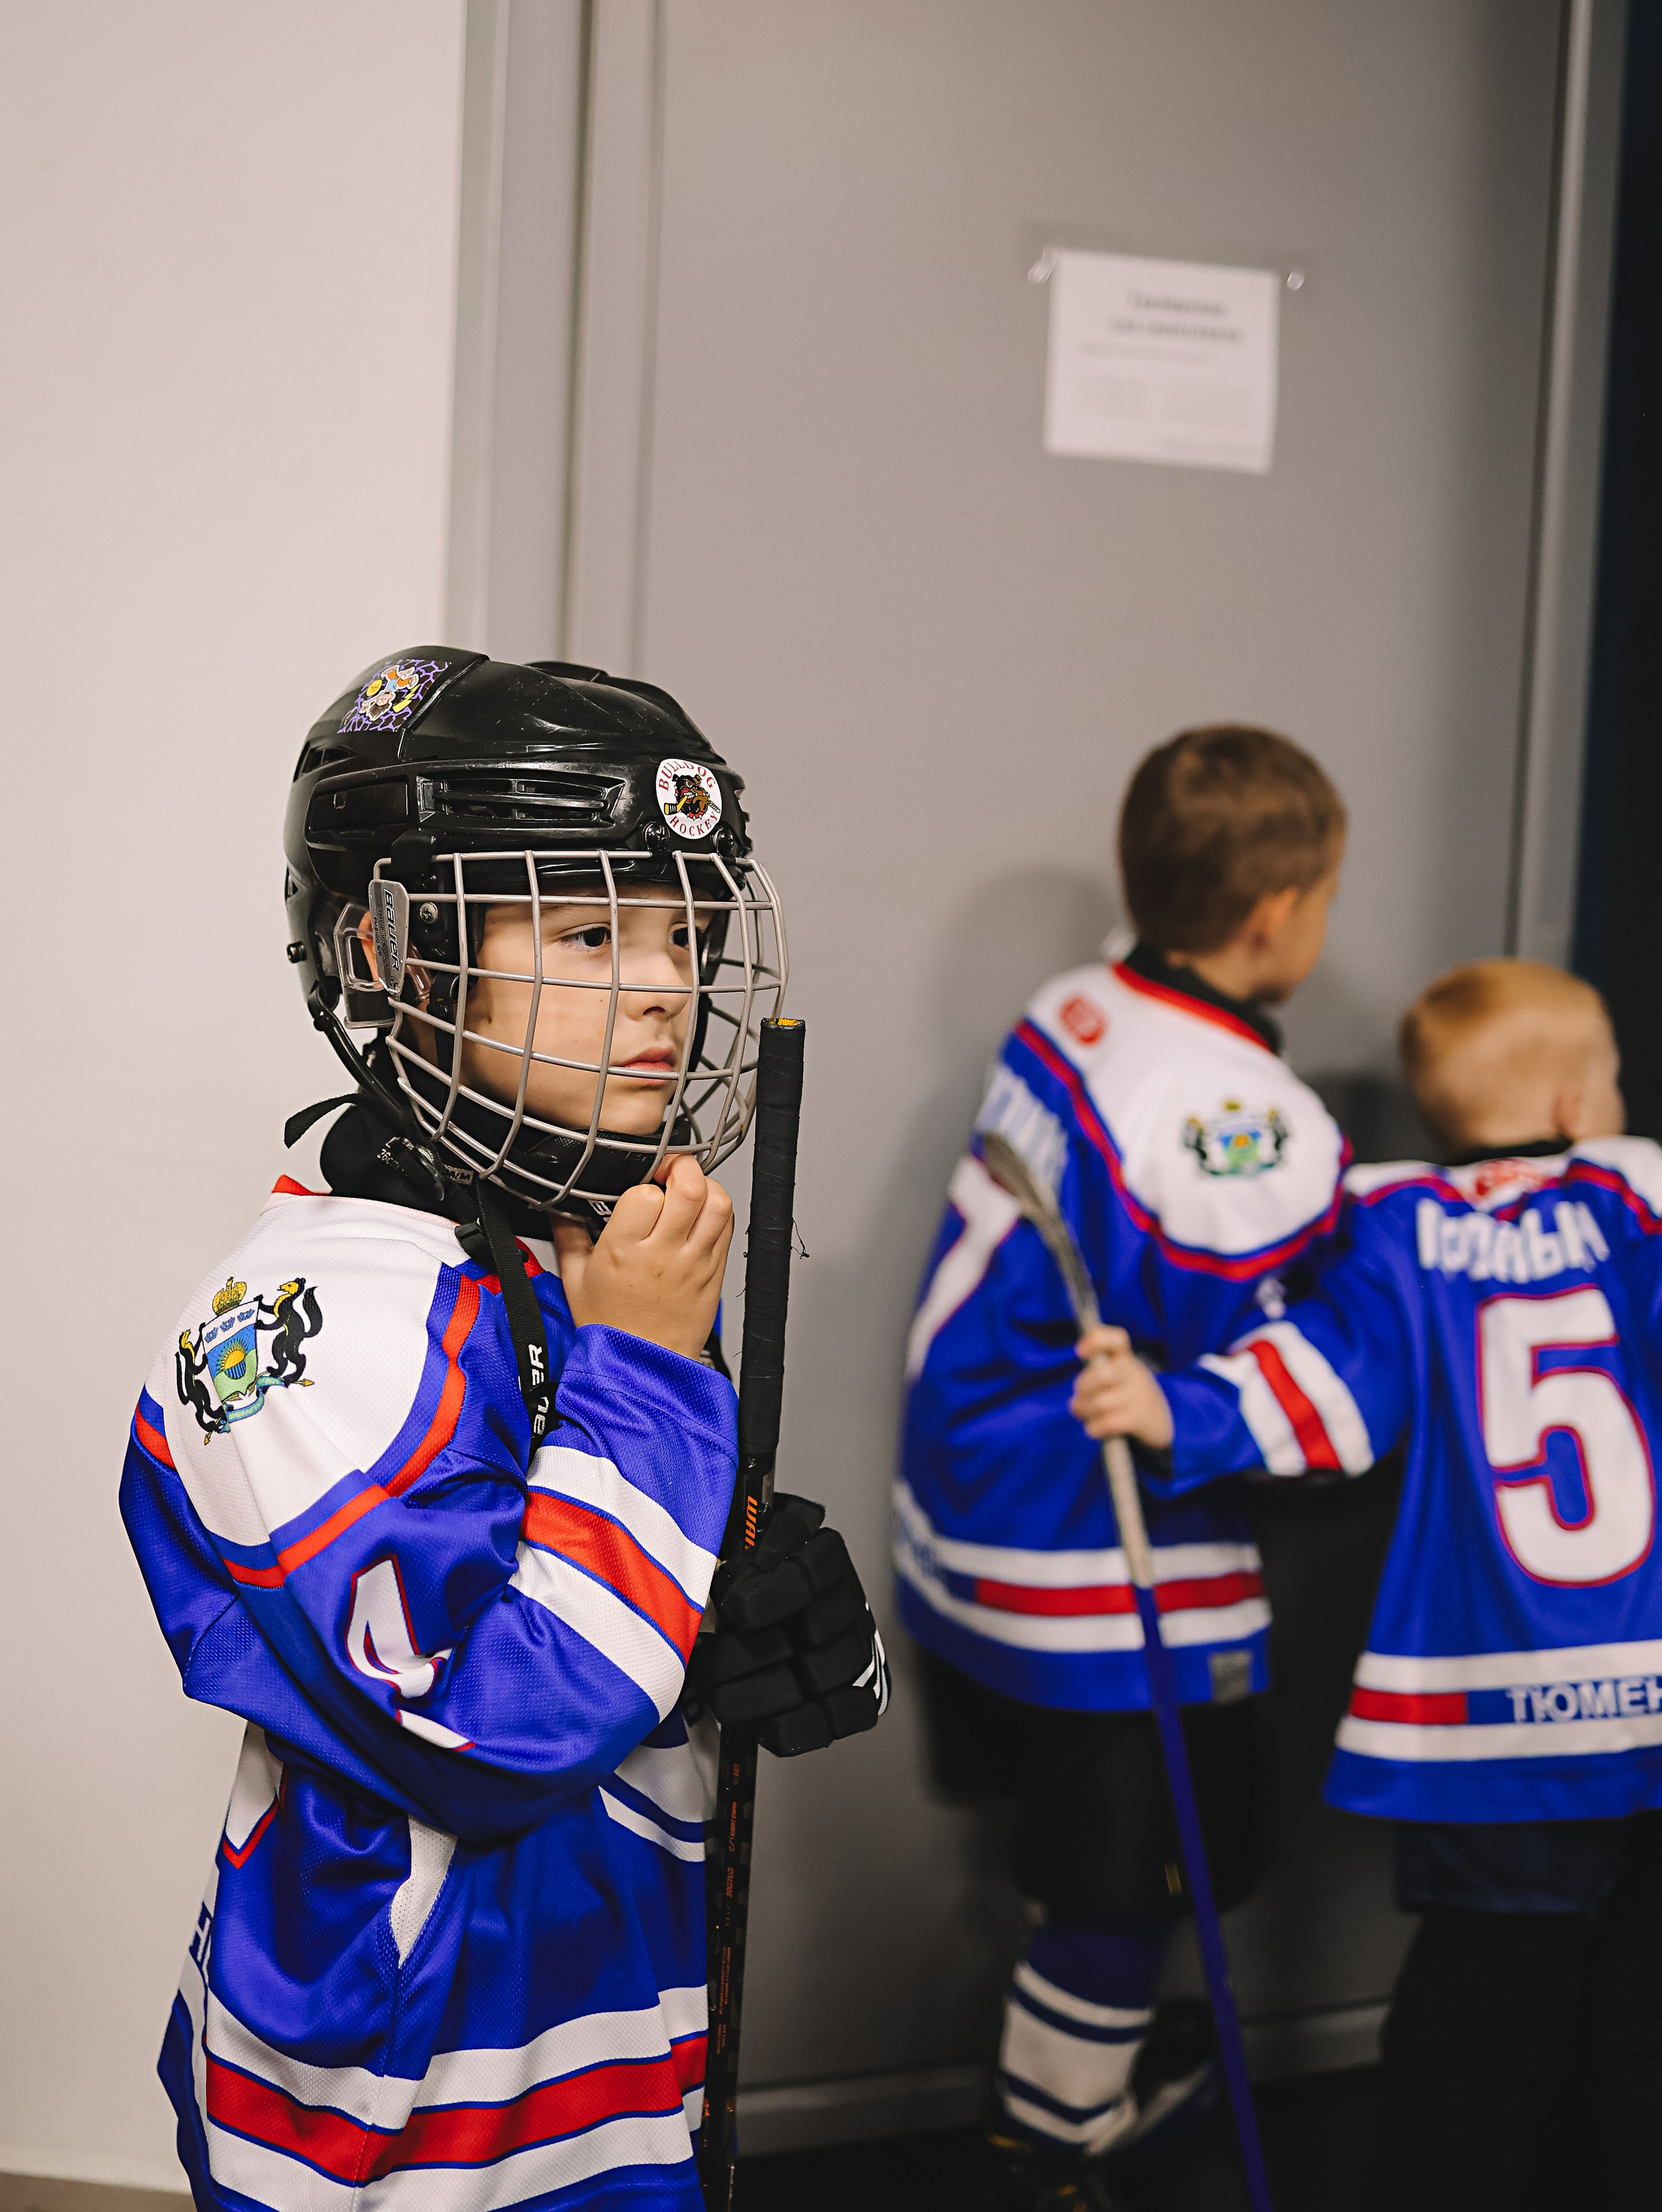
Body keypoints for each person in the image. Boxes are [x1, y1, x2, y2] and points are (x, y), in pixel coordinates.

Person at [122, 649, 888, 2212]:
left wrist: (744, 1623)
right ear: (392, 952)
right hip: (402, 2131)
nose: (668, 984)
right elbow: (483, 1738)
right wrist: (652, 1388)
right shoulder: (300, 1331)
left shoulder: (599, 1253)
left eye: (683, 930)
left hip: (605, 2060)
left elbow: (612, 1613)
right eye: (592, 930)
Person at [1074, 957, 1662, 2212]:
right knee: (1642, 2003)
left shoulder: (1399, 1236)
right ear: (1573, 1102)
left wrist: (1167, 1407)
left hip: (1495, 1716)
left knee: (1479, 2018)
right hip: (1652, 1691)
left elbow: (1316, 1397)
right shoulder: (1640, 1204)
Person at [895, 724, 1348, 2209]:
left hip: (969, 1494)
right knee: (1132, 1870)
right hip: (1093, 1550)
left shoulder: (1079, 1000)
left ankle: (1059, 2066)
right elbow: (1254, 1357)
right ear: (1279, 914)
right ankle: (1060, 2138)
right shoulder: (1234, 1120)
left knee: (1077, 1846)